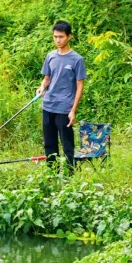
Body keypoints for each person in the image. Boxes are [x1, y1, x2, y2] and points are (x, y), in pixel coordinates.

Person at [38, 19, 85, 168]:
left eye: (61, 37)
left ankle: (70, 176)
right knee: (49, 145)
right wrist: (41, 88)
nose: (58, 40)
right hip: (48, 105)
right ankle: (52, 174)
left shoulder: (77, 59)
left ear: (69, 36)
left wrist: (73, 110)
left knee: (67, 146)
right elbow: (47, 79)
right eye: (55, 36)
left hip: (64, 108)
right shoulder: (50, 56)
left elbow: (80, 86)